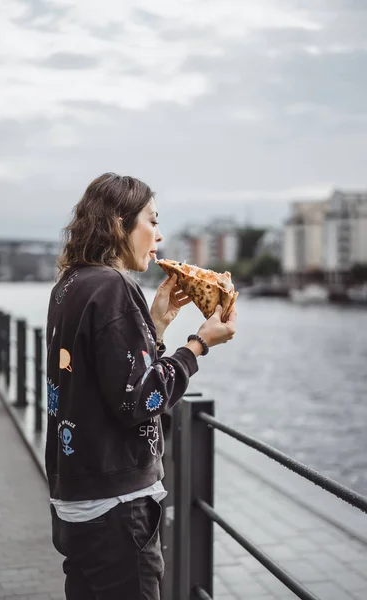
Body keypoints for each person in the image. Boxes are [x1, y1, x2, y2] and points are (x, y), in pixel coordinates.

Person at [46, 172, 237, 600]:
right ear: (119, 224)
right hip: (117, 506)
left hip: (76, 497)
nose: (160, 235)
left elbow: (109, 374)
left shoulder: (71, 285)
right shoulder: (115, 286)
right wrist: (199, 344)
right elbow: (141, 399)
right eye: (152, 220)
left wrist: (156, 324)